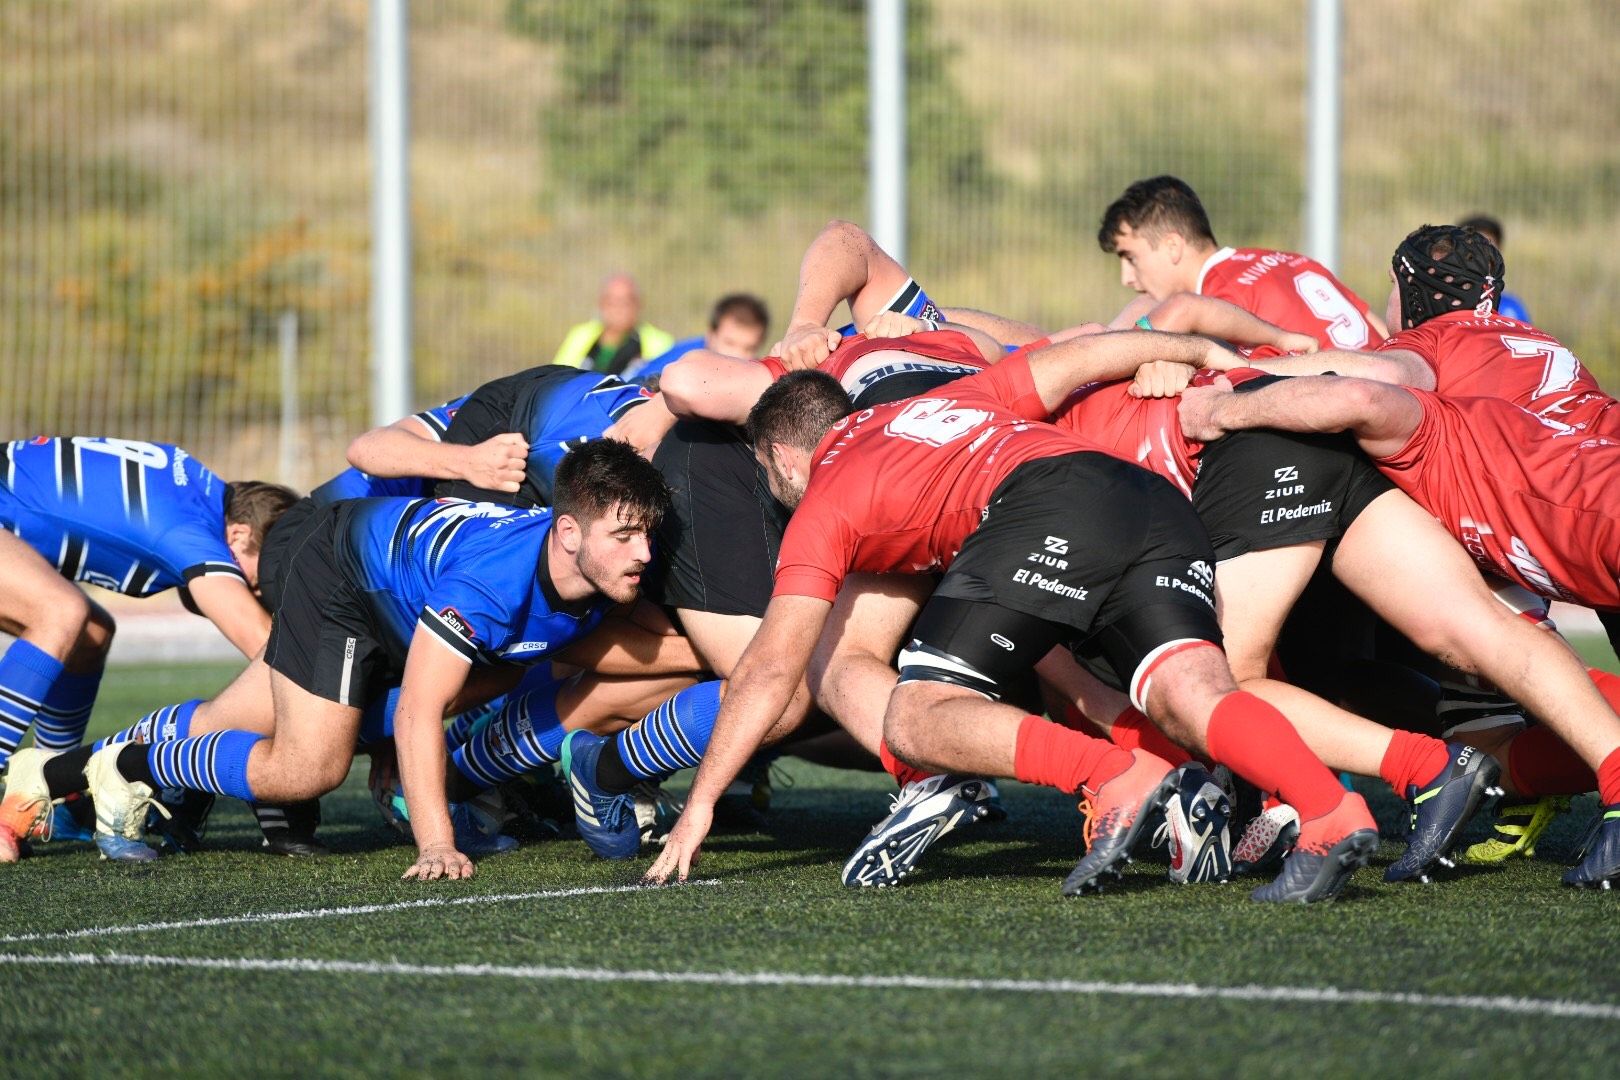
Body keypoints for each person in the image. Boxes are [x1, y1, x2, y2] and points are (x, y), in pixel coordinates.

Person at [646, 330, 1382, 904]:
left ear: (783, 457)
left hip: (1044, 505)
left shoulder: (825, 495)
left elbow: (771, 666)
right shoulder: (950, 400)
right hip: (1148, 498)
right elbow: (1076, 355)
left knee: (915, 712)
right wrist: (1192, 347)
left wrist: (700, 803)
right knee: (1195, 690)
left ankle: (1114, 774)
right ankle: (1331, 811)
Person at [6, 440, 673, 880]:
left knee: (236, 715)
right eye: (624, 535)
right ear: (567, 533)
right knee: (308, 766)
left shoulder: (585, 567)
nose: (643, 553)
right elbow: (420, 710)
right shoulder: (491, 585)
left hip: (387, 589)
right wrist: (437, 844)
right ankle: (125, 766)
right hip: (341, 578)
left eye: (647, 535)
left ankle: (59, 770)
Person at [1178, 371, 1620, 888]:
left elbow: (1361, 389)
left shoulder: (1426, 347)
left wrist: (1220, 406)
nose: (1130, 281)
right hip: (1531, 516)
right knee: (1429, 669)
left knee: (1215, 688)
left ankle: (1404, 777)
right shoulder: (1504, 356)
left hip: (1577, 515)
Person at [0, 436, 295, 861]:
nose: (254, 589)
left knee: (91, 634)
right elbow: (269, 647)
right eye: (256, 576)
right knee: (60, 611)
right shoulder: (192, 530)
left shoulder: (197, 489)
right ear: (239, 534)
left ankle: (57, 797)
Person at [1099, 175, 1388, 348]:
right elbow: (1379, 329)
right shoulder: (1291, 260)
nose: (1127, 278)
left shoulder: (1222, 303)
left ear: (1172, 246)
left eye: (1131, 257)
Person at [622, 293, 771, 384]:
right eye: (729, 343)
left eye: (749, 348)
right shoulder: (678, 363)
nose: (738, 356)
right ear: (711, 335)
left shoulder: (758, 374)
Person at [552, 273, 674, 376]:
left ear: (638, 305)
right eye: (612, 302)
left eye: (625, 302)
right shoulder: (580, 336)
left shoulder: (660, 343)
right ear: (601, 304)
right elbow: (558, 378)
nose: (618, 309)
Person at [1459, 215, 1531, 323]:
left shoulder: (1511, 309)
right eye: (1474, 249)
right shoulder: (1441, 303)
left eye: (1489, 250)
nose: (1481, 257)